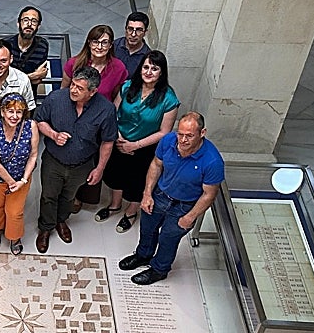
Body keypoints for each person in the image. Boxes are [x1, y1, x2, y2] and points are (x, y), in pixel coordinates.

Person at [119, 112, 224, 285]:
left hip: (185, 205)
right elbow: (156, 164)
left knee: (168, 238)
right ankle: (143, 255)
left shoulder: (212, 162)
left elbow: (209, 194)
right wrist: (146, 194)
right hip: (161, 194)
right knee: (147, 227)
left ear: (202, 133)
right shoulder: (168, 141)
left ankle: (159, 269)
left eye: (189, 136)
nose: (182, 140)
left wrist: (190, 217)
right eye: (180, 134)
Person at [33, 66, 117, 253]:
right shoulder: (56, 99)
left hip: (82, 165)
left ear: (93, 92)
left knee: (69, 196)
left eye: (80, 88)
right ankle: (46, 228)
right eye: (73, 84)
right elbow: (40, 121)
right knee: (48, 195)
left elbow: (107, 142)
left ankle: (61, 220)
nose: (73, 90)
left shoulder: (106, 109)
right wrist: (54, 135)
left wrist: (100, 168)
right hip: (54, 160)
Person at [99, 51, 180, 232]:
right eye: (146, 67)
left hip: (145, 148)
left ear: (162, 72)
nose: (149, 72)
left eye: (154, 68)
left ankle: (131, 211)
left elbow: (164, 132)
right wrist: (118, 135)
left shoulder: (169, 98)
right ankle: (114, 204)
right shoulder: (128, 86)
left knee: (137, 180)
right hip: (120, 140)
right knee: (115, 175)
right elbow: (113, 111)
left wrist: (135, 145)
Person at [61, 24, 128, 211]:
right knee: (73, 156)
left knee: (93, 158)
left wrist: (109, 119)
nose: (99, 46)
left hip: (99, 120)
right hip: (75, 116)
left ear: (110, 45)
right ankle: (70, 195)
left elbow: (116, 95)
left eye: (104, 42)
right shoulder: (75, 63)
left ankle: (85, 194)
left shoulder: (118, 68)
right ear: (89, 43)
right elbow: (64, 90)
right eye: (96, 41)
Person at [0, 92, 39, 255]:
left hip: (22, 178)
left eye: (19, 112)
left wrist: (22, 180)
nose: (14, 116)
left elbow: (34, 155)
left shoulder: (31, 126)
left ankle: (14, 237)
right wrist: (11, 182)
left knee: (14, 211)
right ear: (2, 112)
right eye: (10, 111)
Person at [3, 6, 50, 86]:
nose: (29, 24)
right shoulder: (5, 44)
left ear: (38, 26)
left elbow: (38, 78)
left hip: (29, 92)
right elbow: (1, 75)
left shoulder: (42, 46)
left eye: (34, 21)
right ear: (18, 24)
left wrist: (34, 77)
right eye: (25, 20)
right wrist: (30, 77)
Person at [115, 11, 152, 77]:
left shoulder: (148, 57)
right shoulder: (114, 46)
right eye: (130, 29)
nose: (133, 34)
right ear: (125, 29)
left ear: (145, 32)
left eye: (139, 30)